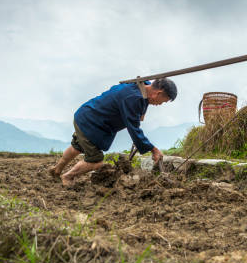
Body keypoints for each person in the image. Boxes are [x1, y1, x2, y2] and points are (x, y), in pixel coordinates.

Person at [48, 78, 177, 186]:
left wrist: (142, 110)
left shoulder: (142, 84)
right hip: (91, 123)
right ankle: (68, 176)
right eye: (163, 101)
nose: (160, 104)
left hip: (87, 115)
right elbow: (134, 129)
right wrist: (153, 149)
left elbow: (141, 107)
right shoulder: (133, 99)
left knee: (77, 146)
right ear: (158, 93)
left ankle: (56, 170)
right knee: (95, 160)